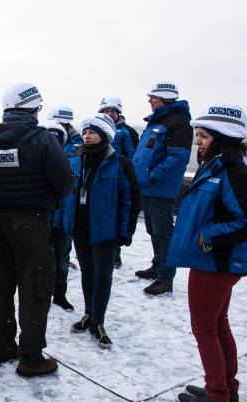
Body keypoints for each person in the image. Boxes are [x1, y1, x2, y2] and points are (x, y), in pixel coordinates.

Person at [0, 83, 73, 377]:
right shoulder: (42, 139)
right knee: (34, 288)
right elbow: (66, 183)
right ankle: (31, 358)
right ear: (34, 108)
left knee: (1, 286)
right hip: (30, 222)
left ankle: (3, 346)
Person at [168, 104, 247, 402]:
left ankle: (217, 396)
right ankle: (226, 389)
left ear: (222, 137)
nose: (197, 143)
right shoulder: (218, 166)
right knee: (218, 325)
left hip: (216, 262)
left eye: (203, 136)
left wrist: (210, 236)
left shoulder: (234, 173)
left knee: (204, 327)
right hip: (212, 261)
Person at [56, 114, 140, 348]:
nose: (86, 136)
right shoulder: (75, 160)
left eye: (92, 132)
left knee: (103, 277)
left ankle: (98, 321)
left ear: (104, 135)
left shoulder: (119, 163)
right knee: (87, 272)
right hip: (80, 226)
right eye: (84, 132)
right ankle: (88, 313)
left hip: (105, 229)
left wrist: (126, 231)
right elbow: (65, 194)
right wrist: (63, 222)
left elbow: (130, 199)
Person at [132, 81, 193, 296]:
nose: (150, 101)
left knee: (164, 233)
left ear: (165, 98)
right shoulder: (158, 121)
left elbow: (177, 158)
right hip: (149, 186)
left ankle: (166, 278)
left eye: (153, 98)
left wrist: (152, 175)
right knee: (153, 230)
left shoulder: (178, 123)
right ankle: (157, 265)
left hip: (160, 188)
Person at [97, 96, 139, 269]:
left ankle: (115, 253)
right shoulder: (98, 129)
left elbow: (133, 155)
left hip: (118, 177)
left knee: (116, 215)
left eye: (112, 110)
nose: (109, 113)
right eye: (106, 110)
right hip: (101, 178)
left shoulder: (126, 132)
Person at [43, 120, 75, 312]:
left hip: (63, 219)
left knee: (62, 259)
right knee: (42, 259)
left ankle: (60, 295)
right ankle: (44, 293)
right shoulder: (39, 158)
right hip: (44, 218)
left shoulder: (75, 158)